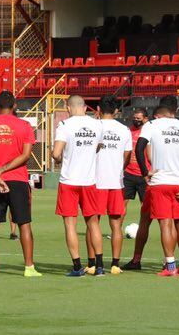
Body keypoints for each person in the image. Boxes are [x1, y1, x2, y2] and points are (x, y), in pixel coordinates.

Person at [0, 90, 40, 277]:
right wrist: (3, 170)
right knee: (24, 224)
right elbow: (26, 155)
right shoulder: (24, 125)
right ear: (14, 106)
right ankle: (29, 267)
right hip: (18, 180)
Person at [135, 94, 179, 277]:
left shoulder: (151, 125)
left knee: (165, 224)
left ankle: (170, 267)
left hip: (159, 183)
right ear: (176, 110)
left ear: (159, 109)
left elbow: (139, 149)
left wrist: (144, 173)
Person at [52, 95, 105, 277]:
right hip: (89, 181)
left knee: (70, 225)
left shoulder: (65, 126)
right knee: (93, 223)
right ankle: (99, 266)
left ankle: (77, 267)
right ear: (84, 108)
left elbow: (56, 153)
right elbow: (98, 147)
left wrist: (60, 157)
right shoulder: (97, 125)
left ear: (68, 108)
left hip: (69, 181)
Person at [94, 96, 133, 275]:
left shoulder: (95, 126)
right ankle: (115, 264)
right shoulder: (124, 130)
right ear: (116, 110)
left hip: (95, 180)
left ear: (98, 109)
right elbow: (127, 156)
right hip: (115, 182)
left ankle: (94, 263)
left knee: (93, 223)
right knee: (116, 225)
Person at [122, 107, 149, 210]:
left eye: (139, 118)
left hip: (144, 174)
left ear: (145, 119)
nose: (136, 120)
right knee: (122, 205)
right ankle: (118, 227)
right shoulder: (128, 131)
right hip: (128, 173)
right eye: (134, 118)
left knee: (145, 206)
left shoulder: (149, 132)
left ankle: (143, 227)